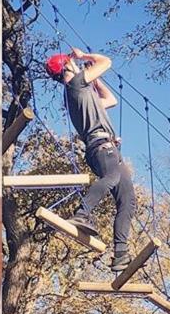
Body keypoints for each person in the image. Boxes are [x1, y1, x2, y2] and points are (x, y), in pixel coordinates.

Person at [45, 47, 136, 271]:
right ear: (67, 66)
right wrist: (83, 56)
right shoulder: (75, 85)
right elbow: (106, 61)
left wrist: (96, 82)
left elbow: (111, 100)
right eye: (72, 64)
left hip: (106, 148)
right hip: (102, 148)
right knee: (112, 176)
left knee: (128, 200)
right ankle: (82, 214)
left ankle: (121, 253)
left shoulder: (82, 92)